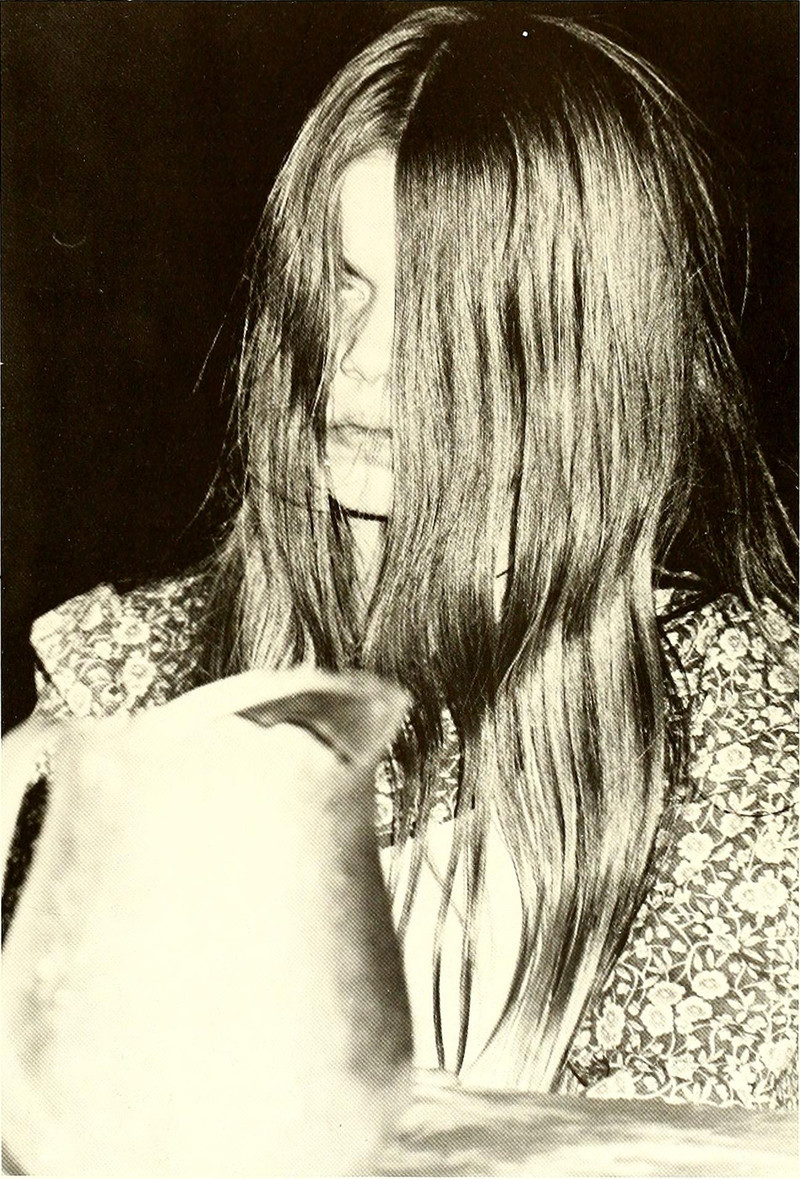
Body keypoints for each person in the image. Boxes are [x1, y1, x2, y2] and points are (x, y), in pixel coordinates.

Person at [4, 2, 797, 1117]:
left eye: (435, 307)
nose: (362, 360)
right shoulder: (138, 677)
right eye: (345, 282)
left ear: (579, 354)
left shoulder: (740, 724)